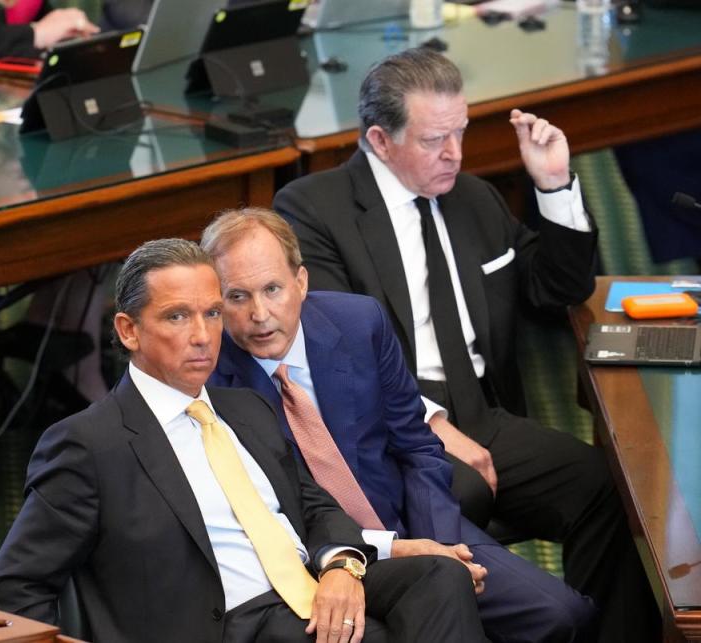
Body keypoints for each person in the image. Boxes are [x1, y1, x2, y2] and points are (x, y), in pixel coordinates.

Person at [273, 47, 659, 642]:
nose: (455, 153)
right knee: (463, 491)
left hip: (485, 413)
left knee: (609, 487)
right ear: (380, 138)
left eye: (461, 133)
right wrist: (431, 422)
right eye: (434, 140)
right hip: (392, 429)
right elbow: (334, 353)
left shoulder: (472, 197)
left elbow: (553, 289)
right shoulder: (312, 209)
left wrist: (553, 184)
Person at [0, 238, 488, 643]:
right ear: (128, 330)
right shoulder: (87, 443)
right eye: (177, 317)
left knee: (439, 578)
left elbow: (313, 505)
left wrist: (342, 563)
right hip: (233, 622)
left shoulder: (246, 408)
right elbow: (17, 585)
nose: (204, 336)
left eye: (210, 313)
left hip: (310, 587)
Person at [203, 207, 598, 642]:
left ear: (301, 282)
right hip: (320, 565)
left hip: (413, 524)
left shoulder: (358, 323)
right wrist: (400, 557)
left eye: (273, 289)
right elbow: (264, 518)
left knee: (561, 615)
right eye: (237, 297)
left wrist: (440, 547)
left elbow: (418, 446)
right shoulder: (209, 379)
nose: (259, 313)